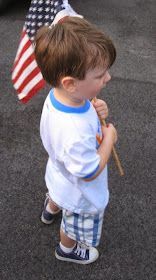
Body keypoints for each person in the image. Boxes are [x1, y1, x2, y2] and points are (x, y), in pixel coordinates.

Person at [34, 16, 117, 264]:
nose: (108, 78)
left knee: (58, 192)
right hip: (78, 192)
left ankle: (52, 207)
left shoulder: (61, 96)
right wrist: (109, 140)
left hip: (59, 173)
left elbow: (83, 112)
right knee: (74, 225)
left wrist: (96, 109)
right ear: (70, 83)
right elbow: (89, 170)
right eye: (100, 75)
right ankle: (67, 249)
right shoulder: (74, 132)